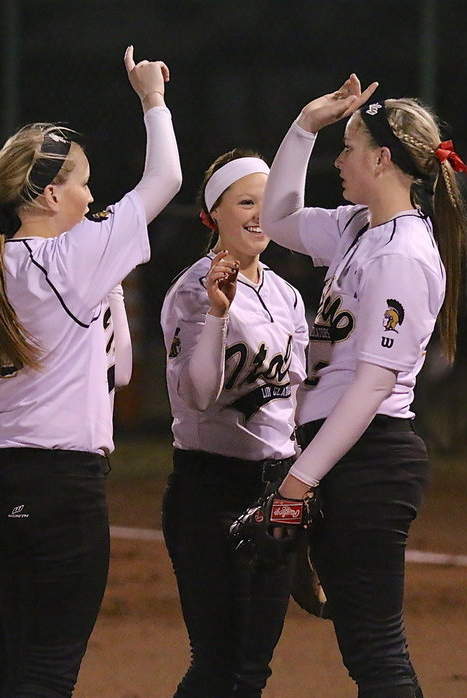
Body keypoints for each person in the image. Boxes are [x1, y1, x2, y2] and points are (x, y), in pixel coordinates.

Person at [257, 75, 467, 698]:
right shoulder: (357, 229)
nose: (339, 161)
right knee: (367, 651)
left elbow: (372, 385)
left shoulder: (400, 253)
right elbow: (276, 217)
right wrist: (303, 128)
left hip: (370, 458)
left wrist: (298, 480)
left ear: (381, 158)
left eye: (346, 148)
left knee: (376, 653)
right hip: (346, 455)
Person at [0, 46, 181, 697]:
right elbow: (164, 178)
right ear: (51, 191)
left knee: (2, 669)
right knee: (47, 674)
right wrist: (152, 100)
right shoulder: (70, 259)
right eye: (82, 180)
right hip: (58, 485)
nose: (91, 194)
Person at [160, 149, 308, 697]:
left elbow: (292, 405)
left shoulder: (286, 294)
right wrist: (219, 313)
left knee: (253, 670)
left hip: (278, 488)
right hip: (210, 487)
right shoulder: (191, 291)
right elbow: (199, 396)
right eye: (245, 202)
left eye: (267, 203)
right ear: (212, 213)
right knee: (218, 665)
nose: (258, 214)